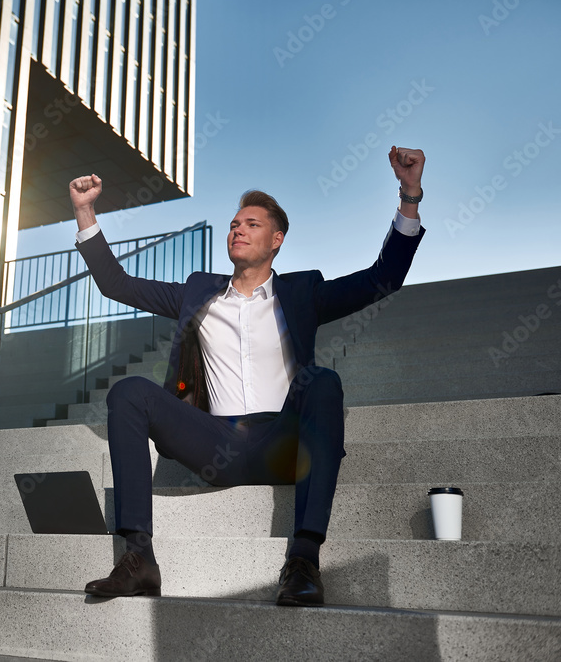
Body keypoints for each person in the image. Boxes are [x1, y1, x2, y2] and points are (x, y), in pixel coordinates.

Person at [68, 146, 426, 606]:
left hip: (282, 442)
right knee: (129, 391)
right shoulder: (198, 292)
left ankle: (303, 560)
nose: (238, 229)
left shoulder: (302, 292)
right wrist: (85, 212)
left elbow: (386, 277)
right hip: (214, 442)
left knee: (321, 381)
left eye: (252, 224)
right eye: (235, 224)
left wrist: (409, 194)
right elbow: (116, 284)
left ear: (276, 240)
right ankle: (139, 559)